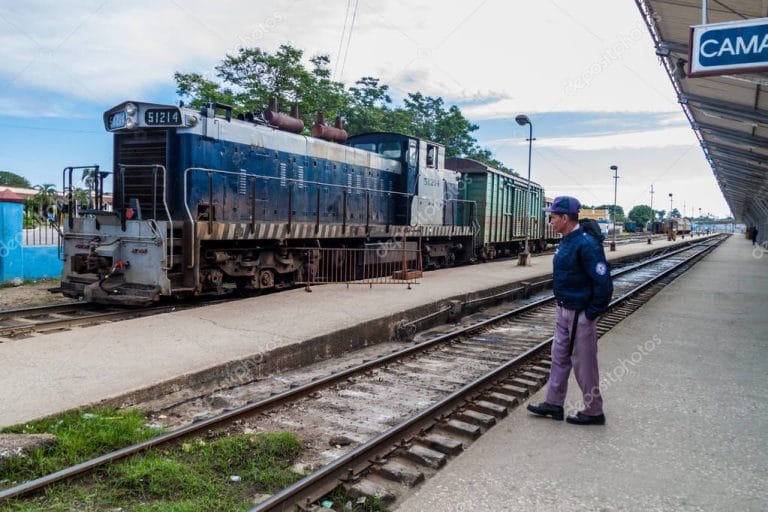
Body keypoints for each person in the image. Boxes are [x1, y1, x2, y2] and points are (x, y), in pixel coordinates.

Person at [527, 196, 614, 425]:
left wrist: (591, 313)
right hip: (564, 309)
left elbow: (603, 283)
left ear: (565, 218)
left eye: (553, 217)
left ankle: (594, 411)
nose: (550, 221)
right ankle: (554, 404)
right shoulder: (566, 240)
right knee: (558, 357)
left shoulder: (587, 244)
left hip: (580, 313)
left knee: (584, 364)